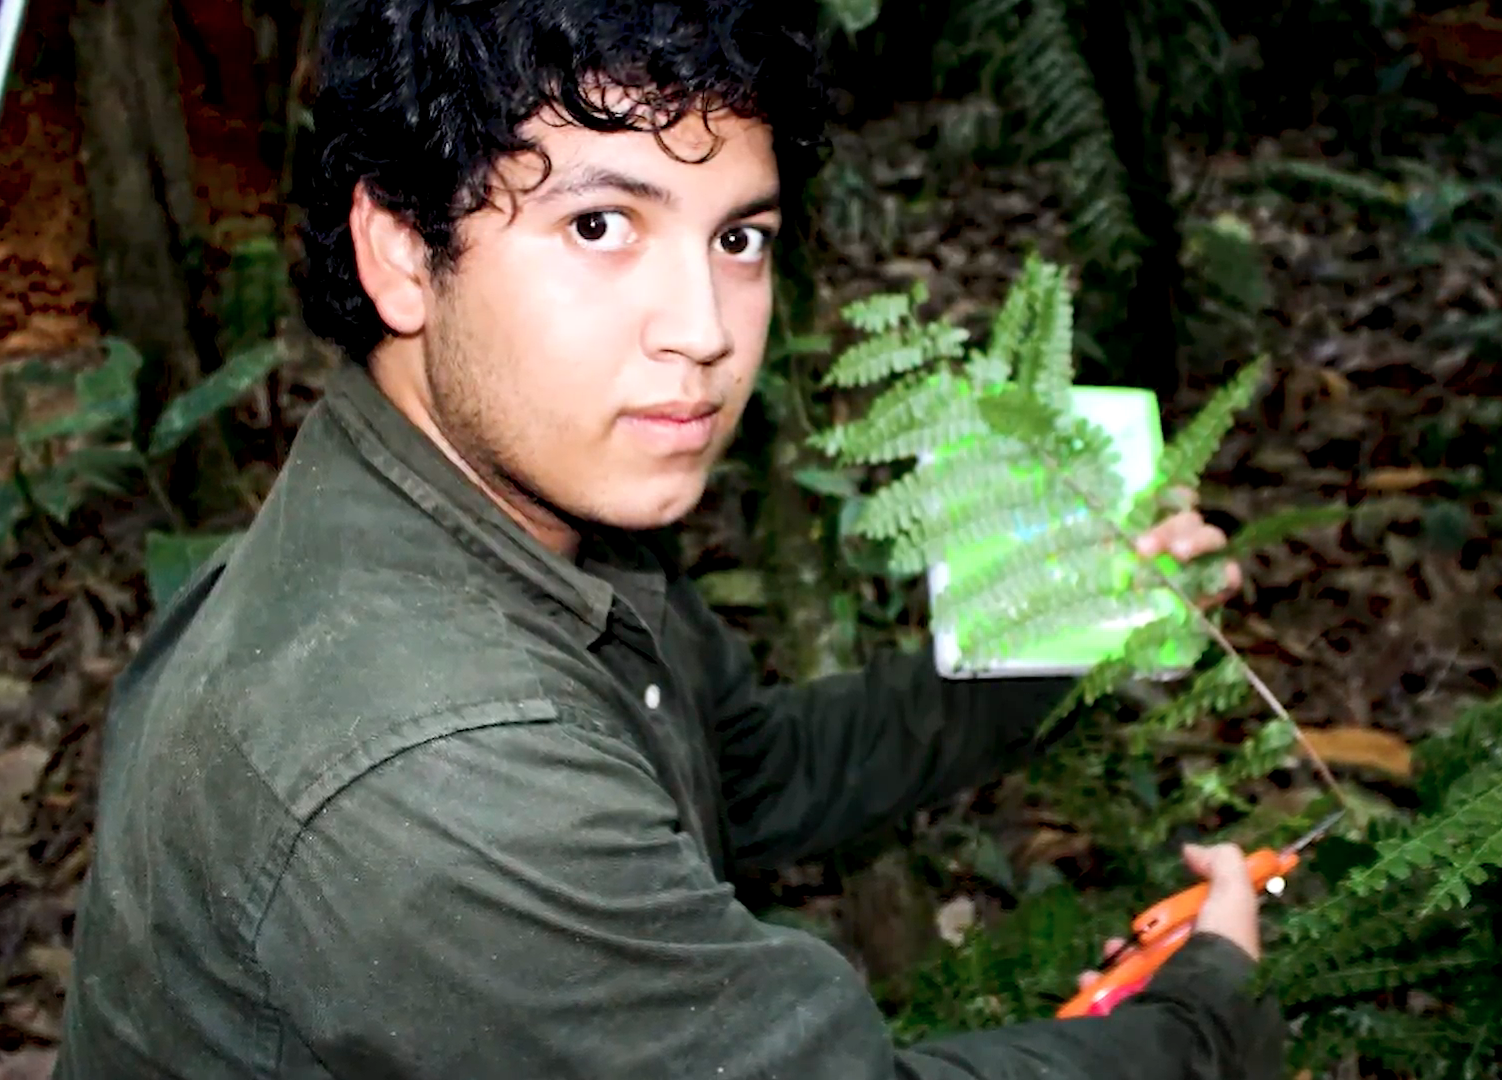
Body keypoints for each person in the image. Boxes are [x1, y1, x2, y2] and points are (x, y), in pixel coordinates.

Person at [54, 1, 1289, 1076]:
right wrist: (1208, 1018)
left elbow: (755, 777)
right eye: (600, 226)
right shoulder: (436, 763)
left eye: (737, 238)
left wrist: (1068, 635)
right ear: (399, 252)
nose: (702, 328)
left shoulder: (517, 513)